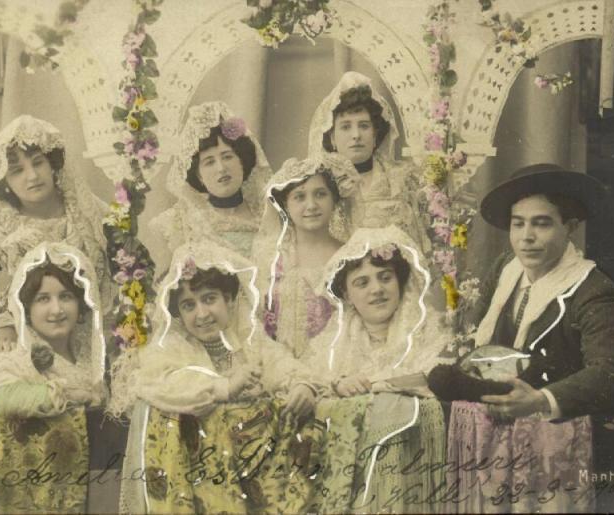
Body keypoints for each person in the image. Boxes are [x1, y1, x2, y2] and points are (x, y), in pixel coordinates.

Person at [449, 163, 614, 513]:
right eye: (519, 223)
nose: (526, 236)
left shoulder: (592, 289)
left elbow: (611, 373)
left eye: (541, 223)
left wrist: (541, 399)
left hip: (596, 440)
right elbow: (479, 344)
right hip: (525, 438)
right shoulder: (505, 269)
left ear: (569, 228)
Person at [109, 241, 322, 513]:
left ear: (230, 301)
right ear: (178, 314)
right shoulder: (172, 347)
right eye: (188, 305)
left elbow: (278, 363)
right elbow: (163, 383)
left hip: (255, 464)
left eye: (209, 299)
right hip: (199, 468)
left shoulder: (248, 338)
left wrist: (300, 384)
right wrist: (225, 387)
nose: (202, 314)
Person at [0, 115, 151, 370]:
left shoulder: (90, 214)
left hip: (90, 342)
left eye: (38, 163)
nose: (32, 176)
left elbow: (138, 269)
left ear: (53, 164)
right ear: (4, 182)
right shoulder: (4, 226)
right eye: (17, 170)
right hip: (26, 348)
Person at [304, 226, 450, 513]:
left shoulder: (428, 329)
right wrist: (337, 385)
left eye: (385, 278)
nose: (377, 290)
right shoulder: (333, 341)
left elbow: (433, 378)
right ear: (346, 294)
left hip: (412, 466)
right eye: (362, 283)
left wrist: (372, 386)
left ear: (400, 281)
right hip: (352, 474)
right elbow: (312, 382)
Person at [0, 242, 107, 513]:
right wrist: (66, 396)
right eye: (43, 299)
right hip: (29, 492)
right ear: (25, 307)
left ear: (82, 302)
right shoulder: (8, 356)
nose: (56, 310)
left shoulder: (93, 360)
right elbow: (1, 399)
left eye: (66, 297)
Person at [308, 72, 431, 255]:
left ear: (375, 135)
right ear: (332, 138)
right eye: (346, 126)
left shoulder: (404, 180)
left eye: (364, 126)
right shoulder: (318, 186)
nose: (356, 135)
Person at [254, 154, 354, 357]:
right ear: (286, 206)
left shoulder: (349, 256)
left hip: (334, 364)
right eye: (299, 197)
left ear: (334, 200)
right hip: (280, 366)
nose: (311, 205)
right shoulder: (271, 258)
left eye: (320, 194)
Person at [150, 101, 272, 259]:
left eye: (227, 157)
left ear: (242, 160)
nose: (221, 168)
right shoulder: (177, 224)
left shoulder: (268, 214)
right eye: (209, 162)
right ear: (199, 176)